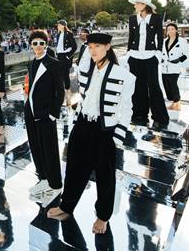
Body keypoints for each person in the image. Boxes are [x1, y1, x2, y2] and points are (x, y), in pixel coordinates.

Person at [47, 32, 135, 236]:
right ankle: (66, 207)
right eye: (90, 46)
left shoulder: (124, 75)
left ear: (108, 47)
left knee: (105, 175)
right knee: (74, 168)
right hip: (83, 123)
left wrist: (117, 137)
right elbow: (82, 62)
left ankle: (103, 216)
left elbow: (126, 108)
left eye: (97, 46)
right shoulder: (87, 68)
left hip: (105, 129)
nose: (93, 50)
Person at [25, 30, 65, 207]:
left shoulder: (53, 63)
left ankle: (55, 183)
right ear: (31, 45)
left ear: (46, 45)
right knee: (35, 146)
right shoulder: (31, 63)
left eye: (41, 43)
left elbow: (60, 91)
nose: (38, 46)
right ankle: (42, 177)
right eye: (35, 43)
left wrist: (52, 113)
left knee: (49, 148)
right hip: (31, 112)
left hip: (46, 113)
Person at [125, 0, 169, 130]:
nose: (135, 6)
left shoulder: (156, 18)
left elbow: (160, 37)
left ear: (144, 5)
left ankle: (160, 118)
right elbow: (131, 37)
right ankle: (139, 115)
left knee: (154, 86)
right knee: (137, 86)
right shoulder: (133, 19)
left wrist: (158, 54)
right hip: (135, 56)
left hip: (151, 56)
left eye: (137, 3)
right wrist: (128, 53)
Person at [161, 23, 188, 111]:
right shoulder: (164, 41)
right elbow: (161, 53)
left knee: (173, 84)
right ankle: (172, 100)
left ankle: (176, 103)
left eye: (172, 29)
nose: (170, 31)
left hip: (175, 67)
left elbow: (186, 54)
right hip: (164, 67)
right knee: (166, 85)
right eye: (168, 29)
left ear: (176, 30)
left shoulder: (182, 41)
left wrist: (179, 59)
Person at [55, 20, 77, 105]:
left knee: (65, 76)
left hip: (65, 57)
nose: (57, 26)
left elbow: (74, 47)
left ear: (63, 25)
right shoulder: (58, 34)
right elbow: (58, 47)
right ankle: (62, 95)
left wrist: (68, 56)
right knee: (59, 76)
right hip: (59, 56)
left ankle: (68, 96)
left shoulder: (69, 34)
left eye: (58, 25)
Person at [76, 28, 92, 97]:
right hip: (80, 74)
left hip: (86, 75)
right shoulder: (83, 45)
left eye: (81, 34)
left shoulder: (89, 46)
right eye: (79, 34)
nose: (79, 35)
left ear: (86, 35)